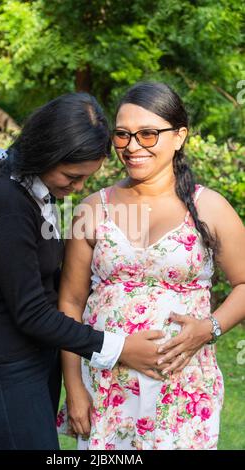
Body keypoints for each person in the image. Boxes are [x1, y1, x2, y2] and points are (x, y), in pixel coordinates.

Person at [0, 92, 168, 450]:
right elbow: (31, 312)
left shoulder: (35, 189)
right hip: (4, 365)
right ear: (46, 153)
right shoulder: (6, 201)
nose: (78, 188)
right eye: (72, 176)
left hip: (34, 359)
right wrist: (119, 347)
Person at [57, 82, 245, 450]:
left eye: (148, 134)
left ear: (179, 136)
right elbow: (69, 303)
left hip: (184, 386)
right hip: (106, 384)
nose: (132, 146)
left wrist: (209, 328)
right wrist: (74, 386)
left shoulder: (211, 208)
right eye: (123, 135)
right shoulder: (92, 208)